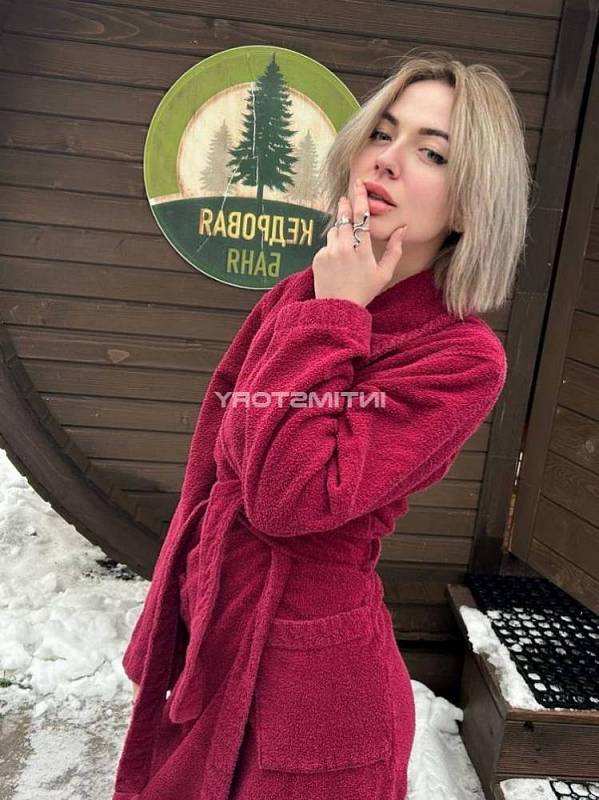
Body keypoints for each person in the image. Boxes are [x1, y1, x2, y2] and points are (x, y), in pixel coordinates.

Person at [113, 47, 530, 800]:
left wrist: (336, 313)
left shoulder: (460, 357)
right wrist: (171, 621)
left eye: (432, 152)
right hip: (215, 636)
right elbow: (215, 461)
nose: (388, 159)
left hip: (312, 697)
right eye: (383, 133)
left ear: (471, 204)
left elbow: (288, 498)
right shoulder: (297, 294)